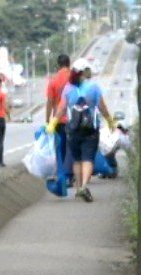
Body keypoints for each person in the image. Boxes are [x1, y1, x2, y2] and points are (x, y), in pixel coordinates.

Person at [47, 58, 114, 202]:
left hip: (73, 129)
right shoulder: (94, 87)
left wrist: (53, 123)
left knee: (77, 159)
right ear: (84, 72)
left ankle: (78, 189)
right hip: (91, 129)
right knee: (88, 158)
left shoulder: (68, 88)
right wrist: (110, 121)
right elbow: (102, 107)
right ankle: (84, 186)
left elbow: (61, 108)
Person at [45, 54, 72, 183]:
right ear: (69, 64)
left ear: (58, 65)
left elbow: (49, 102)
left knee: (61, 148)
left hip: (59, 120)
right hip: (75, 118)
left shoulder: (53, 80)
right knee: (73, 146)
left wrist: (47, 120)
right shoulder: (74, 78)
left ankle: (64, 175)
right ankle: (73, 175)